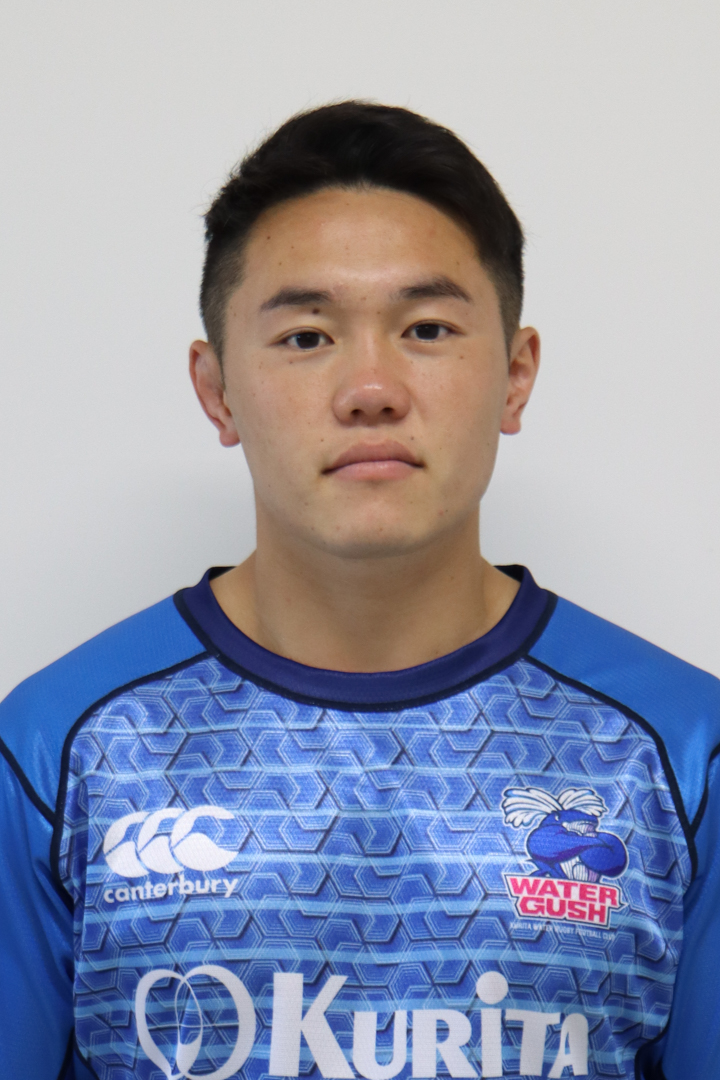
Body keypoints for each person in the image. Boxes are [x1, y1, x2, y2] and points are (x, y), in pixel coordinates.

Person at [0, 101, 718, 1080]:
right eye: (306, 337)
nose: (371, 388)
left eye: (426, 328)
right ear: (217, 389)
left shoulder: (680, 753)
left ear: (515, 375)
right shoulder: (60, 751)